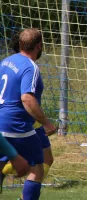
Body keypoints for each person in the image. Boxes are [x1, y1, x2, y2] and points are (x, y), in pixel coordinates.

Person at [0, 29, 56, 200]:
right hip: (17, 124)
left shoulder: (6, 61)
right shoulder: (30, 67)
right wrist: (47, 123)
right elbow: (27, 99)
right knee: (38, 168)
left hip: (1, 121)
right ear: (39, 45)